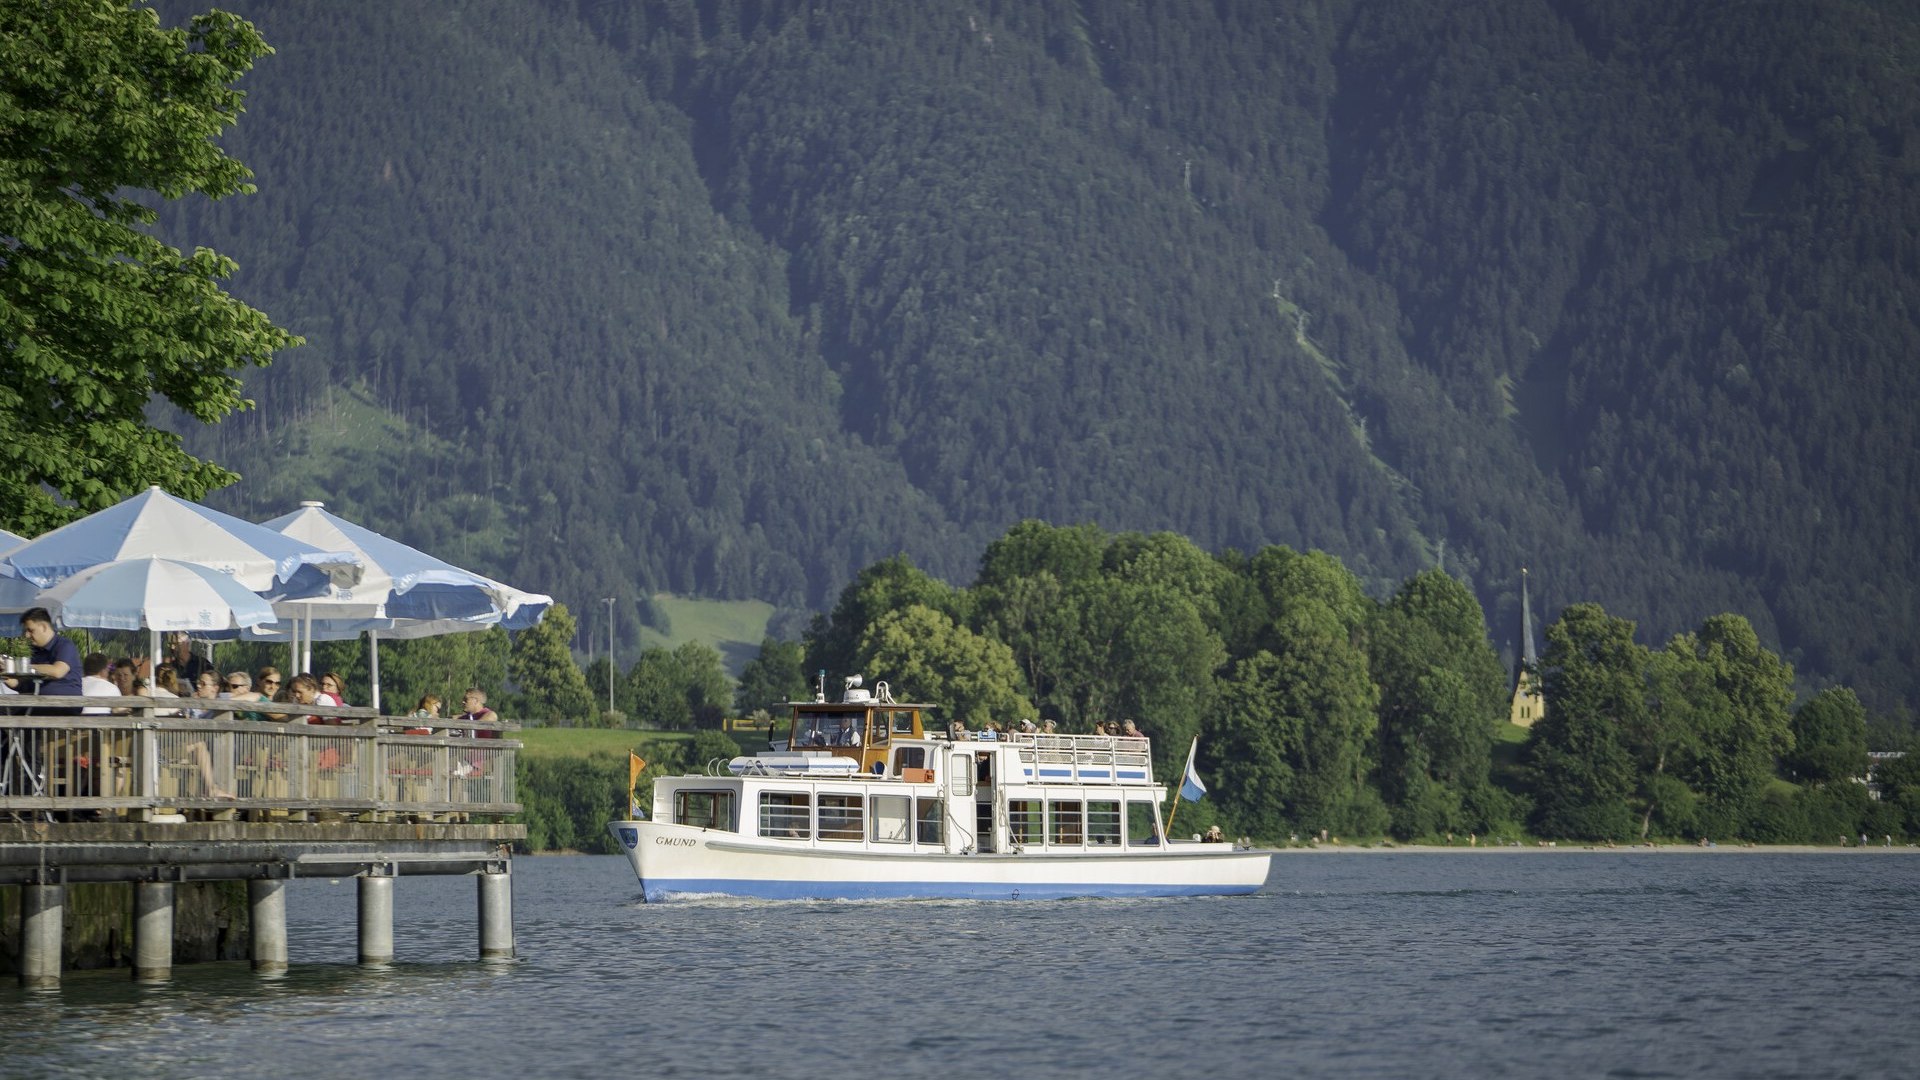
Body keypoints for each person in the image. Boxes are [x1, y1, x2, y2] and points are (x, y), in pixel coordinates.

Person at [7, 608, 82, 704]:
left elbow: (57, 671)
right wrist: (6, 675)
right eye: (25, 631)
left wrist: (23, 667)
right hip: (38, 704)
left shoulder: (65, 645)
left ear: (43, 627)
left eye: (30, 630)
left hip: (64, 705)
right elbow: (22, 685)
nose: (26, 635)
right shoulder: (34, 651)